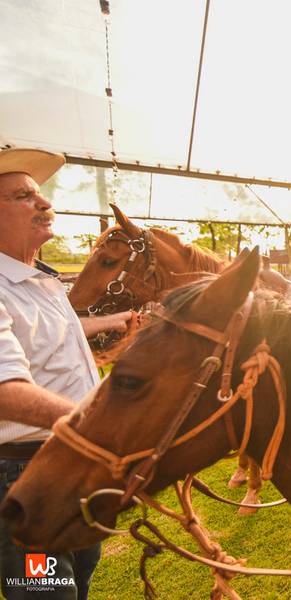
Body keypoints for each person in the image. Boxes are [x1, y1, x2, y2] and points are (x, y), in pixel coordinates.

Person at [0, 147, 131, 600]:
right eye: (23, 197)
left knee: (81, 571)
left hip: (70, 459)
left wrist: (117, 322)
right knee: (44, 591)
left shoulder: (43, 279)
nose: (44, 204)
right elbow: (5, 390)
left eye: (40, 195)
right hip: (25, 473)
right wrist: (97, 425)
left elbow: (59, 339)